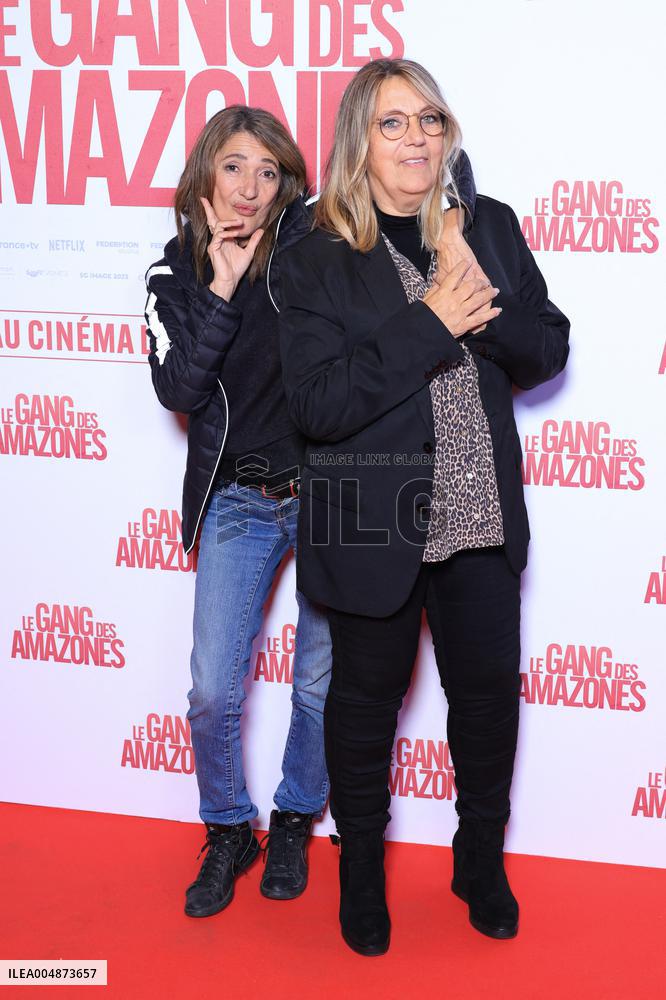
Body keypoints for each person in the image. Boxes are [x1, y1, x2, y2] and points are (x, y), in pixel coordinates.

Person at [279, 59, 570, 956]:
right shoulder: (315, 252)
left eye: (429, 119)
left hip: (479, 512)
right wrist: (433, 319)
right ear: (358, 141)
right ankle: (361, 874)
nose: (416, 138)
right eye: (392, 122)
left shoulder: (489, 226)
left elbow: (547, 349)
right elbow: (318, 405)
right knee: (364, 708)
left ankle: (479, 860)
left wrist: (476, 298)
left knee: (486, 704)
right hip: (371, 525)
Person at [143, 105, 333, 916]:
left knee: (321, 682)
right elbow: (178, 390)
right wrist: (221, 286)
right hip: (238, 500)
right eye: (234, 167)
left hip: (327, 492)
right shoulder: (173, 275)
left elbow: (406, 186)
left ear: (285, 182)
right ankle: (228, 828)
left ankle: (294, 816)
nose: (250, 187)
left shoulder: (312, 246)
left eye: (267, 171)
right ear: (205, 175)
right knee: (212, 692)